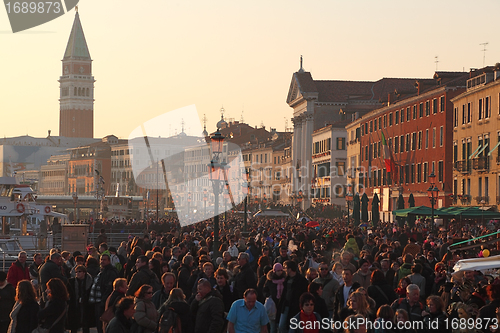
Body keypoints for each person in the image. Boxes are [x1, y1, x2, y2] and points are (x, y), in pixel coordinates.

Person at [277, 260, 309, 333]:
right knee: (281, 326)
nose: (284, 270)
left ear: (290, 269)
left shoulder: (301, 280)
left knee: (293, 327)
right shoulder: (286, 279)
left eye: (285, 268)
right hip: (285, 305)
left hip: (295, 307)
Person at [91, 253, 119, 333]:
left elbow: (109, 288)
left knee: (103, 322)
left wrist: (104, 301)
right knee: (99, 322)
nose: (102, 261)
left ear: (109, 261)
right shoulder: (101, 271)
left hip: (103, 302)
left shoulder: (110, 272)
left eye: (104, 260)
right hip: (98, 300)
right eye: (101, 260)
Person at [67, 265, 94, 333]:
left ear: (84, 272)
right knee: (74, 323)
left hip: (86, 304)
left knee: (85, 322)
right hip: (74, 304)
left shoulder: (90, 281)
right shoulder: (71, 282)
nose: (77, 273)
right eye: (76, 272)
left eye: (79, 271)